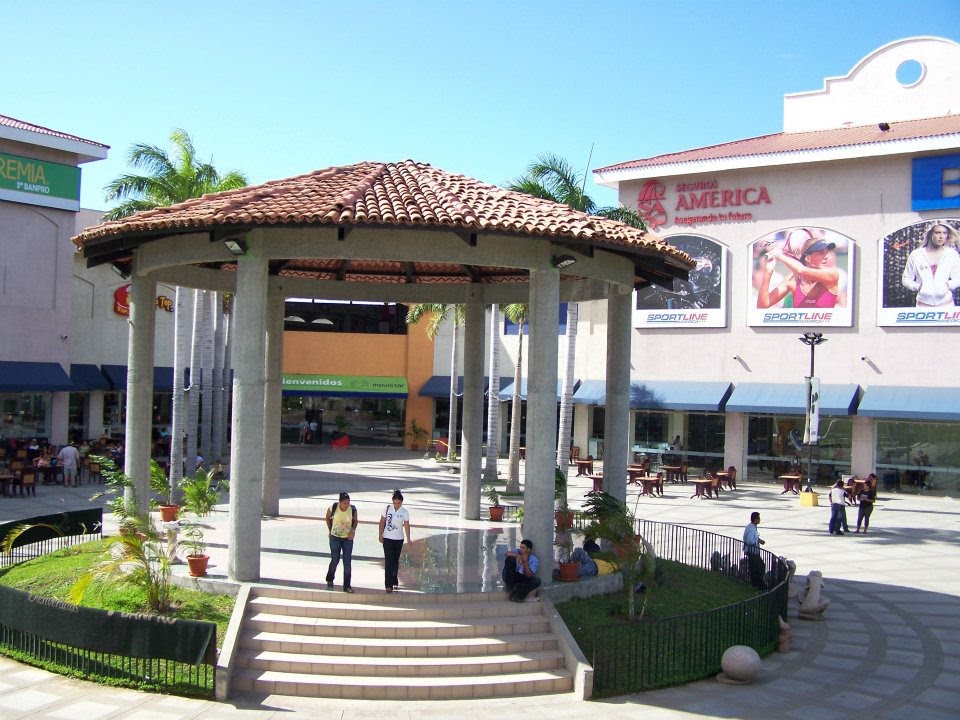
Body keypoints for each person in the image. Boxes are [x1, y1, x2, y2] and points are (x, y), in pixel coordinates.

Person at [757, 232, 841, 309]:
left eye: (827, 252)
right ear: (808, 258)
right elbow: (763, 305)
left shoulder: (833, 273)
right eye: (821, 253)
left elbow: (800, 270)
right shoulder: (792, 280)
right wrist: (768, 271)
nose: (826, 256)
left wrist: (779, 256)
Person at [901, 221, 960, 307]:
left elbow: (958, 278)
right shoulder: (916, 255)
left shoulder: (951, 254)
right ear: (930, 234)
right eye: (937, 233)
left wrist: (947, 285)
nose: (941, 236)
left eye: (944, 233)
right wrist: (919, 287)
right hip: (923, 306)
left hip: (946, 305)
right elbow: (906, 279)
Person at [378, 488, 411, 592]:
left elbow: (406, 525)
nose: (396, 505)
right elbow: (382, 522)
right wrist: (380, 535)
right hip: (387, 537)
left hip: (398, 539)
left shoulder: (405, 512)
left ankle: (394, 579)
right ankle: (388, 585)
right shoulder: (387, 509)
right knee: (389, 560)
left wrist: (408, 538)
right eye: (395, 503)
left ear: (401, 502)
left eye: (398, 503)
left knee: (395, 560)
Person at [325, 491, 358, 592]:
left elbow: (356, 521)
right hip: (335, 538)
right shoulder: (333, 507)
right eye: (344, 503)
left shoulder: (352, 509)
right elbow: (327, 518)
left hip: (347, 538)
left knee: (347, 562)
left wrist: (353, 531)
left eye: (348, 502)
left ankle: (347, 585)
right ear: (340, 502)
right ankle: (330, 578)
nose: (346, 505)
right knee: (335, 560)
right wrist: (330, 530)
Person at [743, 511, 766, 588]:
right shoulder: (751, 529)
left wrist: (759, 540)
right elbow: (750, 541)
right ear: (755, 519)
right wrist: (757, 541)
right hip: (752, 552)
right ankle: (758, 584)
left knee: (756, 567)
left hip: (753, 551)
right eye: (759, 518)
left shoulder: (752, 527)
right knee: (759, 567)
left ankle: (757, 583)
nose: (760, 520)